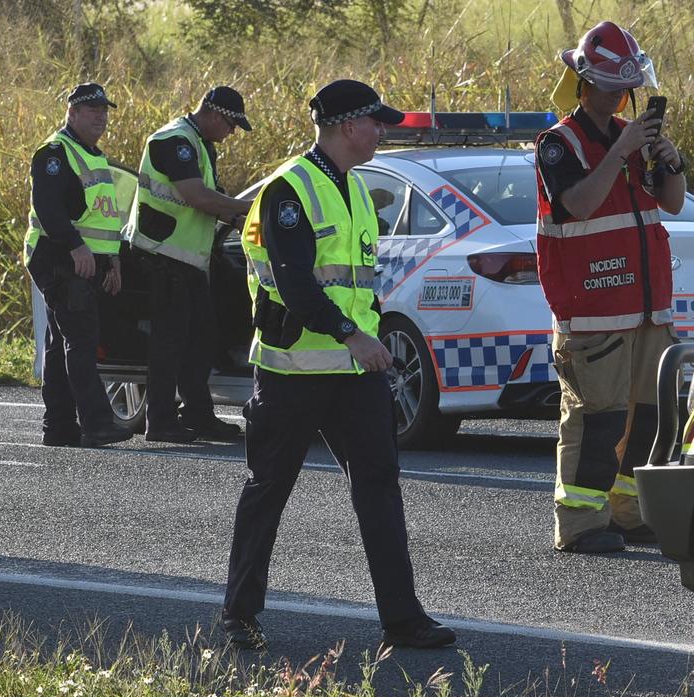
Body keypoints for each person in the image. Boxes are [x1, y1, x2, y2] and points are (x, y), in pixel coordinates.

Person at [221, 80, 456, 651]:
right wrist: (354, 336)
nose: (382, 131)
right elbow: (298, 286)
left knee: (380, 488)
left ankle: (402, 619)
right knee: (269, 489)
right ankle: (239, 614)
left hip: (355, 376)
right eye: (376, 122)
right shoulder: (289, 190)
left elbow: (355, 285)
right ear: (348, 126)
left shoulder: (353, 189)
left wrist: (364, 332)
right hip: (294, 372)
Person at [536, 21, 686, 554]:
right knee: (595, 419)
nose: (620, 96)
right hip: (592, 310)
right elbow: (576, 204)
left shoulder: (631, 137)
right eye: (608, 85)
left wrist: (670, 163)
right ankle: (578, 522)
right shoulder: (558, 143)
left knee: (647, 413)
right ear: (583, 82)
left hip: (646, 308)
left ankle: (628, 512)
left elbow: (670, 204)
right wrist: (621, 151)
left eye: (625, 87)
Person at [124, 86, 254, 443]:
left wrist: (238, 218)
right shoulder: (173, 141)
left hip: (187, 260)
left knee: (201, 340)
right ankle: (161, 421)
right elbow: (197, 197)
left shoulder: (199, 144)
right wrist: (251, 207)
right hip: (162, 257)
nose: (230, 134)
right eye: (230, 125)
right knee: (170, 343)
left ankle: (198, 415)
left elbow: (214, 199)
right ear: (213, 114)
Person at [24, 82, 133, 448]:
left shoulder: (93, 155)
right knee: (81, 341)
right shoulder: (56, 153)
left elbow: (104, 216)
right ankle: (97, 422)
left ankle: (58, 427)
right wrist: (77, 248)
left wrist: (112, 258)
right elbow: (49, 209)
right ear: (72, 112)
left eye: (104, 110)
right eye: (92, 110)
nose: (101, 116)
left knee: (61, 345)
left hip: (82, 260)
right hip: (59, 258)